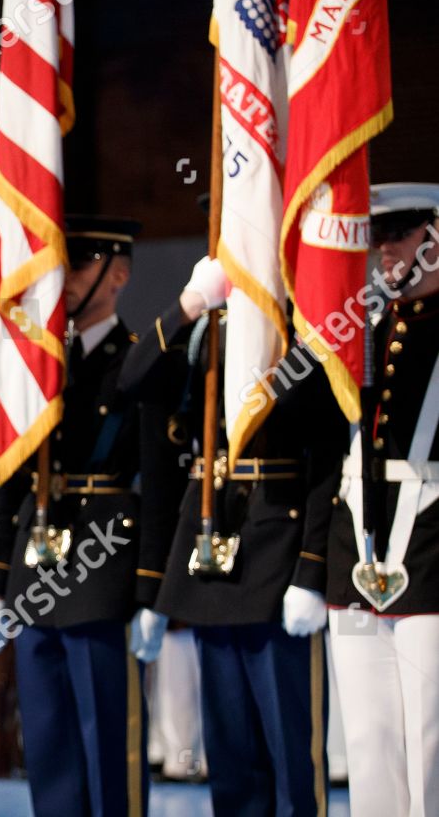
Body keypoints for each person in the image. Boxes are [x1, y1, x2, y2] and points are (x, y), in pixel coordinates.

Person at [120, 253, 343, 815]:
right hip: (211, 553)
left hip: (279, 556)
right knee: (232, 761)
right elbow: (135, 377)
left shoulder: (303, 331)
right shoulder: (204, 336)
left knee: (292, 755)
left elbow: (327, 457)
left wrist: (312, 569)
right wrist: (190, 304)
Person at [0, 216, 173, 817]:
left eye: (82, 266)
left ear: (120, 274)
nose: (68, 281)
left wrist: (150, 590)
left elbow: (159, 487)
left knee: (108, 743)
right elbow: (11, 474)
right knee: (50, 747)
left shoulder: (141, 362)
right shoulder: (38, 367)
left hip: (106, 564)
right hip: (36, 566)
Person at [324, 182, 439, 815]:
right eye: (379, 239)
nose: (385, 253)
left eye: (400, 235)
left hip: (431, 550)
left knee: (429, 739)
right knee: (369, 740)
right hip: (358, 548)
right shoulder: (359, 332)